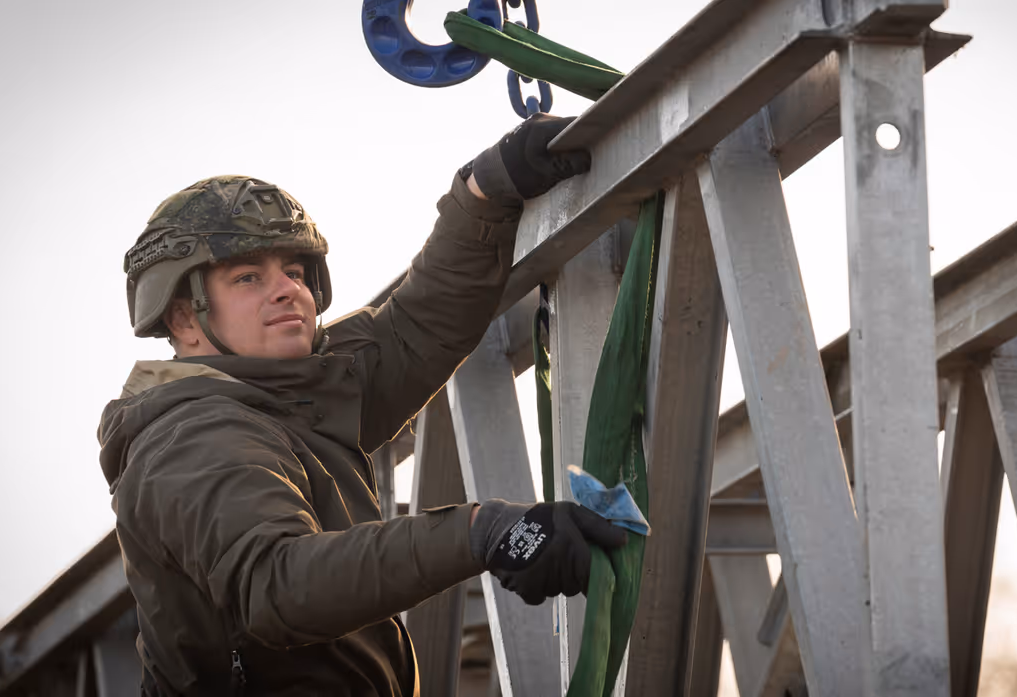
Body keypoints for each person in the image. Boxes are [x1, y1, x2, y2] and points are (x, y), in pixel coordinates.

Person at [98, 114, 627, 696]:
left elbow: (413, 331)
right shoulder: (193, 436)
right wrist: (480, 530)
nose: (288, 290)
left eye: (295, 271)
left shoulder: (293, 392)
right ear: (182, 318)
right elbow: (279, 585)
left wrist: (483, 192)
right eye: (248, 277)